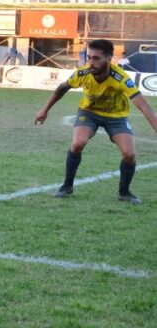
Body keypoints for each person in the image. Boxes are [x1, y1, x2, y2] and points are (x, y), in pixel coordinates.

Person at [34, 39, 157, 205]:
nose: (91, 62)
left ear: (108, 58)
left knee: (130, 154)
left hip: (116, 117)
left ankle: (124, 192)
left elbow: (143, 106)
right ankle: (67, 186)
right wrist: (45, 110)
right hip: (89, 113)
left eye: (96, 58)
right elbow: (62, 88)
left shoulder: (120, 78)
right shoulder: (82, 74)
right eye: (89, 57)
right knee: (78, 143)